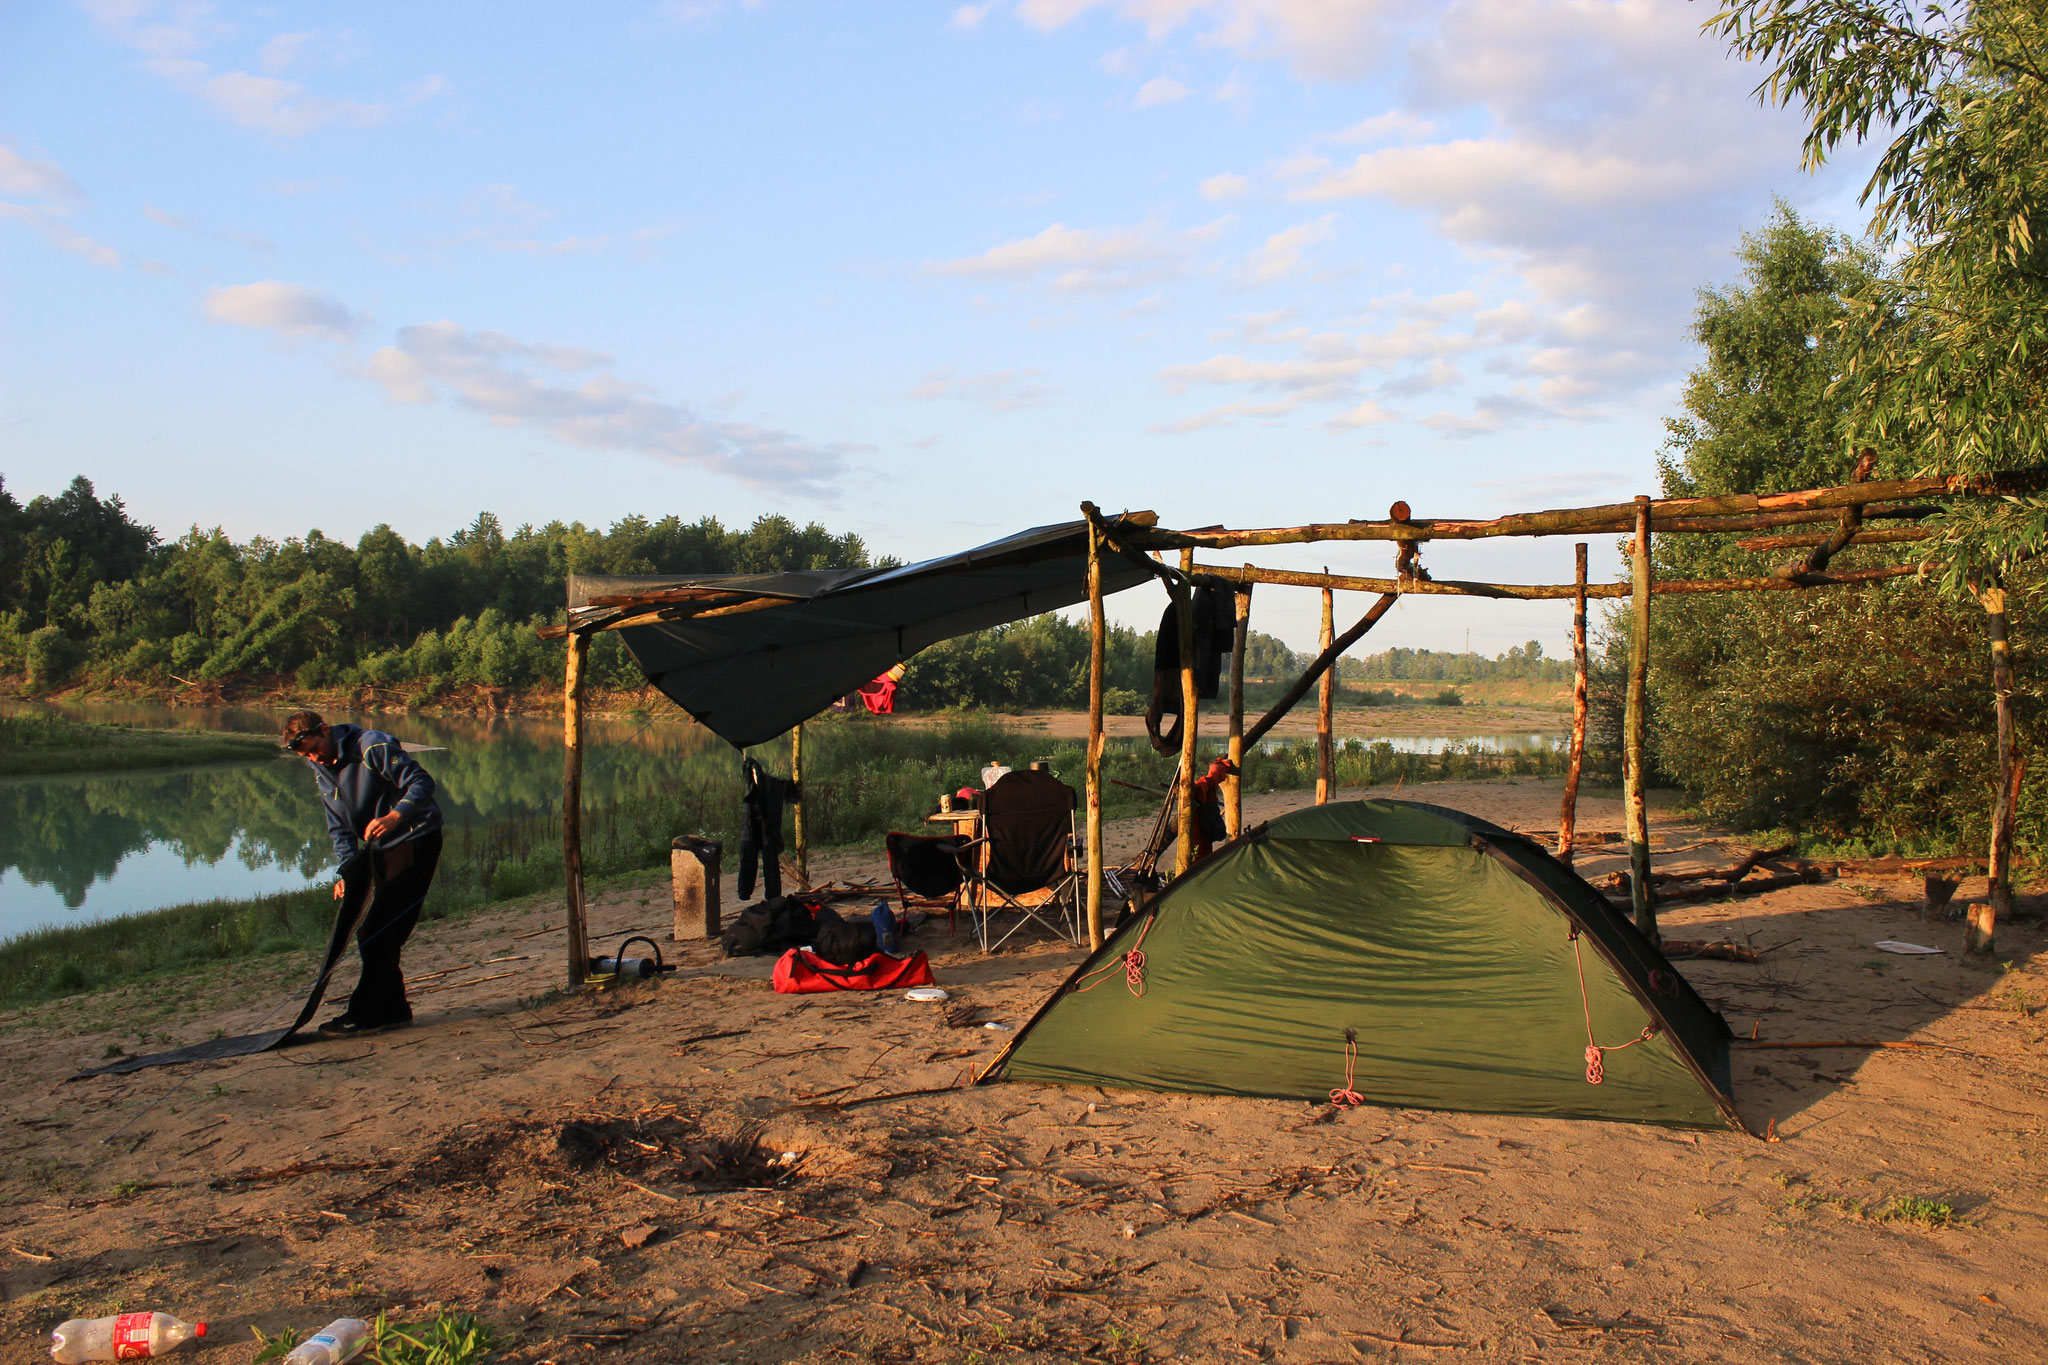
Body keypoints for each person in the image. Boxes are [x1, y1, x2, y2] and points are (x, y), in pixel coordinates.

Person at [280, 709, 443, 1035]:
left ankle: (366, 1013)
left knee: (375, 933)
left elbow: (422, 781)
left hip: (414, 837)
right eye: (306, 755)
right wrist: (346, 870)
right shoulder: (320, 766)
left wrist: (395, 817)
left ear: (325, 730)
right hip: (380, 848)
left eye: (314, 750)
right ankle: (395, 1010)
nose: (313, 758)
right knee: (382, 933)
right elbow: (338, 823)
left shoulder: (371, 746)